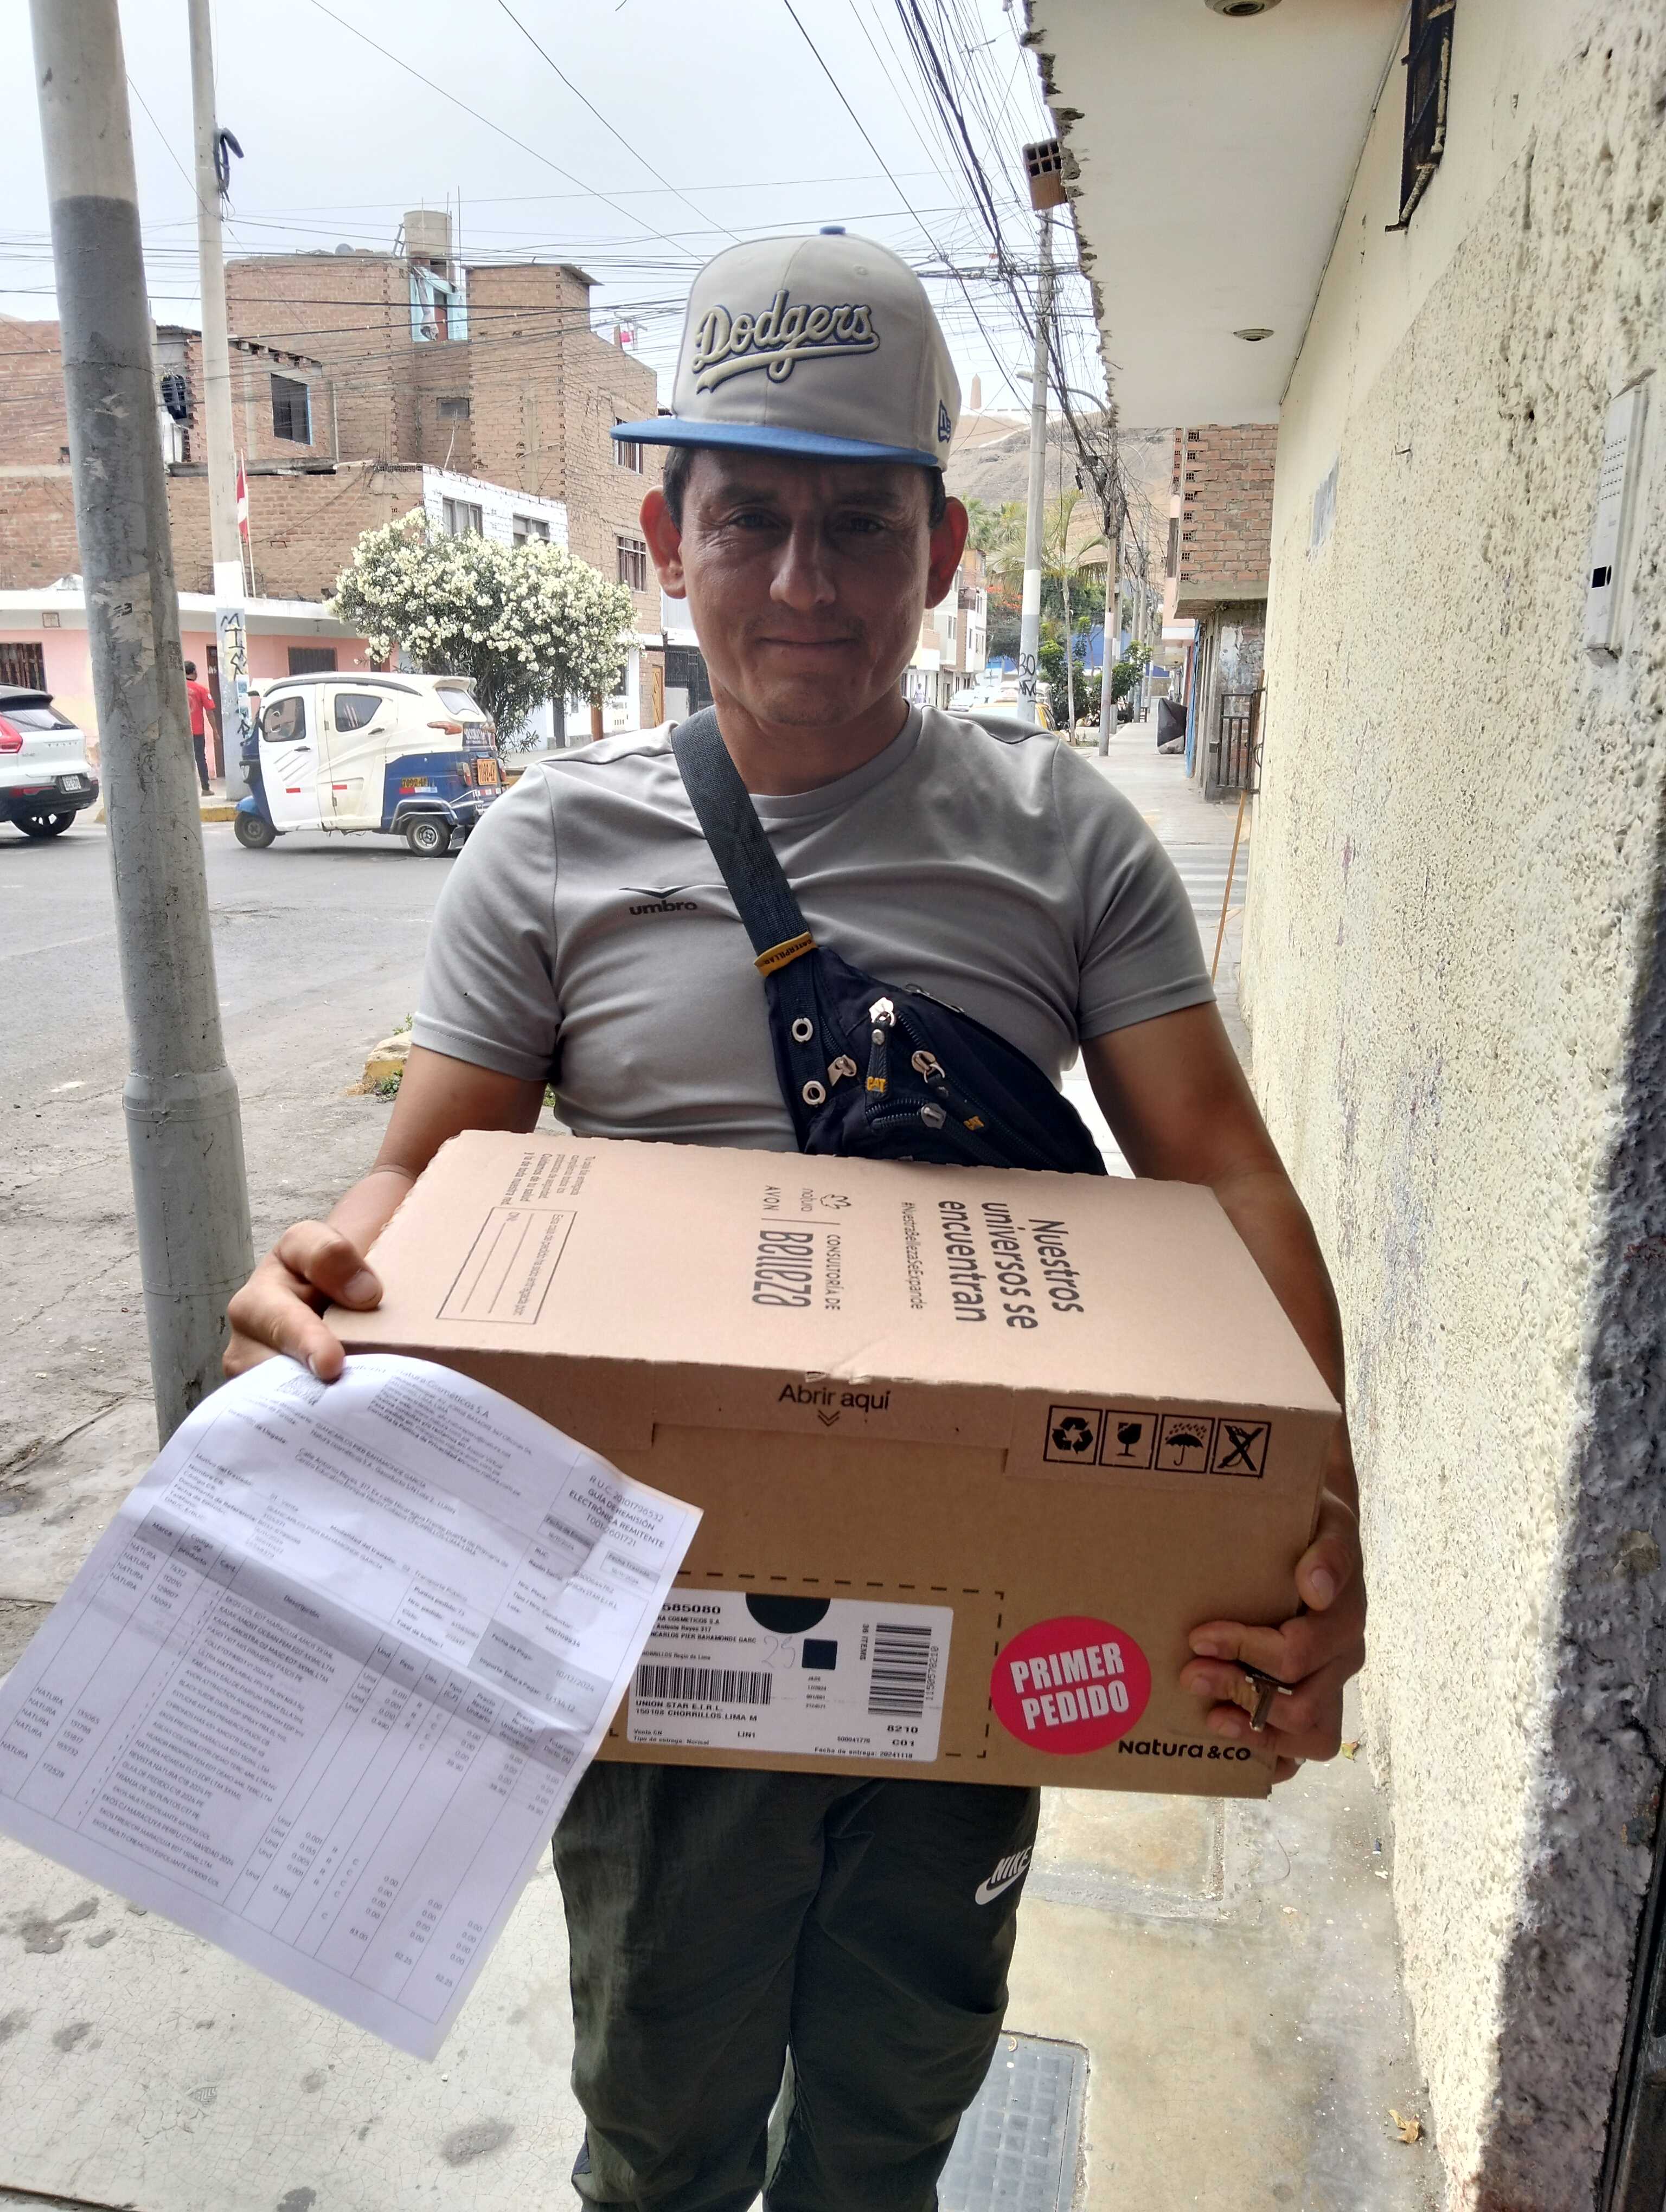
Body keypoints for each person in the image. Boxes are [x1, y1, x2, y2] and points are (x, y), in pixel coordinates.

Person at [225, 231, 1366, 2211]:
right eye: (750, 519)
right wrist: (325, 1268)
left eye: (860, 525)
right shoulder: (547, 843)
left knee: (896, 2102)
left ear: (940, 553)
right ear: (668, 541)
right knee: (661, 2117)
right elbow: (431, 1167)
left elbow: (1223, 1171)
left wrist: (1316, 1531)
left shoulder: (1062, 838)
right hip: (651, 1612)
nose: (804, 583)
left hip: (977, 1595)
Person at [183, 659, 219, 795]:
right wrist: (215, 731)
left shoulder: (176, 689)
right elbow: (210, 712)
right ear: (194, 672)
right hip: (197, 731)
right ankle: (205, 788)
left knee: (181, 759)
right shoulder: (201, 689)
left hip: (180, 732)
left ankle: (185, 790)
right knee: (200, 758)